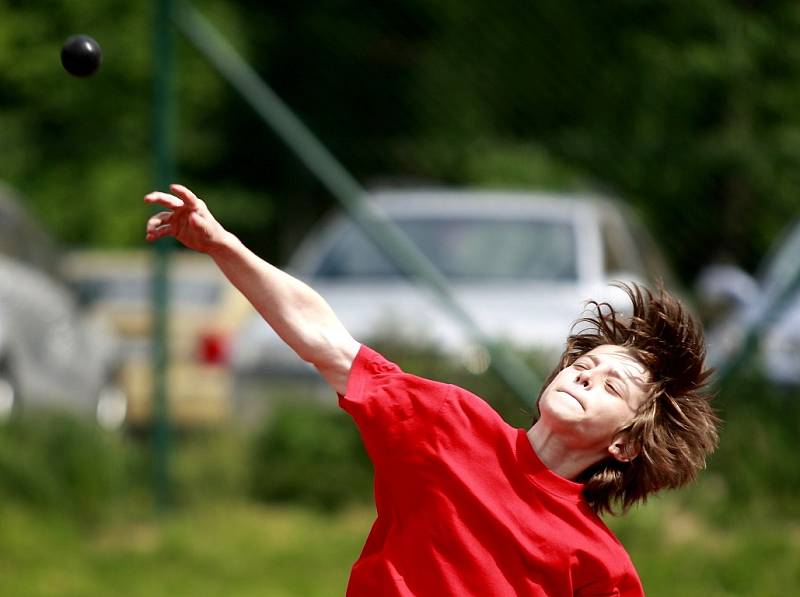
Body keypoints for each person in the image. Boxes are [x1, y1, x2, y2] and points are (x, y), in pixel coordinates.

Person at [145, 184, 720, 597]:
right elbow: (327, 341)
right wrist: (225, 246)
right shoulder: (449, 424)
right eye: (585, 364)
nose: (585, 375)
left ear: (625, 444)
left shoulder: (598, 566)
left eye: (611, 385)